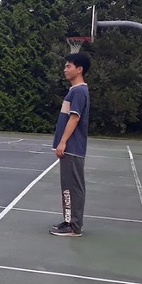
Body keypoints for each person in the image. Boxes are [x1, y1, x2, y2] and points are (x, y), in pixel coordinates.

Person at [50, 51, 91, 237]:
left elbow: (74, 119)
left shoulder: (80, 91)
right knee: (67, 186)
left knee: (72, 187)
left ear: (79, 69)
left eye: (69, 66)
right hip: (70, 148)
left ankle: (74, 226)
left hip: (72, 148)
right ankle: (68, 221)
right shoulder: (74, 91)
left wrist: (63, 142)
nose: (65, 69)